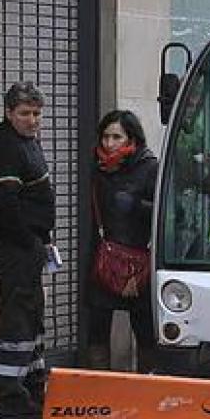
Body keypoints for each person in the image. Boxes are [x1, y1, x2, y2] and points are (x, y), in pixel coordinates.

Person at [0, 82, 56, 418]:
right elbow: (4, 207)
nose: (32, 120)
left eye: (37, 113)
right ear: (9, 113)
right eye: (25, 113)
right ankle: (9, 395)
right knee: (18, 317)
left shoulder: (26, 143)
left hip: (29, 243)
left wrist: (43, 240)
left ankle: (32, 383)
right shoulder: (5, 148)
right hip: (15, 246)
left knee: (31, 314)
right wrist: (29, 241)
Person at [85, 110, 159, 372]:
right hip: (106, 258)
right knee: (97, 325)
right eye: (106, 137)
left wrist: (137, 205)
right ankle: (100, 382)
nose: (109, 143)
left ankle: (147, 381)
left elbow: (168, 213)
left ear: (132, 138)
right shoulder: (98, 167)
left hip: (139, 259)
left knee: (144, 327)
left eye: (117, 137)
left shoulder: (149, 167)